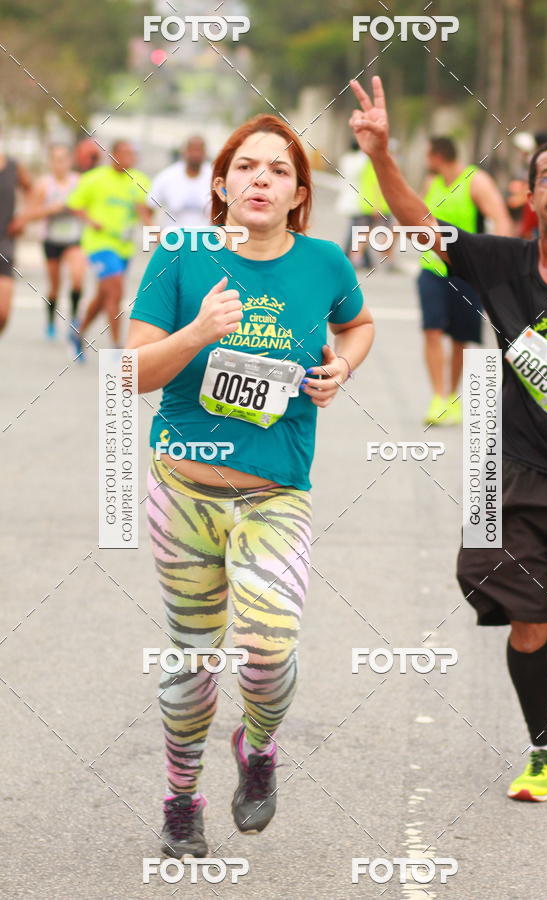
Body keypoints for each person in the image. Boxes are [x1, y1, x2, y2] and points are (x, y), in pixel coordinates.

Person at [126, 113, 374, 858]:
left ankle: (258, 746)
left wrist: (341, 367)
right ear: (222, 184)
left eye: (279, 169)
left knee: (266, 651)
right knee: (193, 659)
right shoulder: (180, 255)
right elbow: (131, 374)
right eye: (246, 166)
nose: (261, 178)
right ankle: (182, 801)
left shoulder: (325, 263)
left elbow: (359, 325)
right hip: (183, 492)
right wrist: (197, 333)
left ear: (299, 193)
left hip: (275, 493)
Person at [349, 75, 547, 802]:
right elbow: (419, 223)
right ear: (528, 195)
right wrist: (381, 155)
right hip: (517, 471)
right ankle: (543, 751)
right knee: (527, 618)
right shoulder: (500, 262)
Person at [418, 136, 512, 425]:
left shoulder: (476, 181)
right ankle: (438, 397)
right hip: (431, 268)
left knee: (460, 338)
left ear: (437, 156)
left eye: (427, 155)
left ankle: (451, 395)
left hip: (466, 272)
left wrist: (495, 261)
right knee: (432, 330)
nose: (425, 161)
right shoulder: (431, 183)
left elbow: (501, 220)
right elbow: (418, 217)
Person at [66, 140, 152, 355]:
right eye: (125, 153)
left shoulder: (140, 180)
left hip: (124, 247)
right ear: (113, 155)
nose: (130, 158)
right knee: (116, 292)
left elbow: (144, 212)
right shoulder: (94, 178)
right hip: (99, 244)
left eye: (132, 154)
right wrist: (91, 221)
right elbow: (74, 205)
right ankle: (117, 349)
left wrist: (155, 232)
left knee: (105, 296)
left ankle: (78, 331)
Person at [15, 143, 85, 342]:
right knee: (55, 285)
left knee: (77, 278)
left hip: (74, 238)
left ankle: (74, 319)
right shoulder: (44, 185)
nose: (59, 164)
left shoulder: (79, 182)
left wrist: (76, 209)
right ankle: (51, 322)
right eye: (56, 160)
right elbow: (29, 214)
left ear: (69, 161)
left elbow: (89, 208)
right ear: (51, 162)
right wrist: (50, 210)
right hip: (51, 240)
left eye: (63, 159)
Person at [0, 148, 33, 333]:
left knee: (3, 314)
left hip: (4, 245)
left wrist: (23, 218)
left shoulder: (13, 166)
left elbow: (32, 192)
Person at [149, 135, 212, 229]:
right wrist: (155, 233)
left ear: (205, 153)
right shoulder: (167, 176)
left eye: (199, 150)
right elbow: (147, 208)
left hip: (207, 237)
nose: (195, 154)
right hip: (174, 236)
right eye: (192, 150)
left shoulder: (216, 177)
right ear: (184, 152)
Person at [336, 138, 372, 269]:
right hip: (359, 199)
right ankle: (351, 256)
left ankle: (365, 259)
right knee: (359, 229)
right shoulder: (362, 159)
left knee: (357, 228)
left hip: (348, 197)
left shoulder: (346, 159)